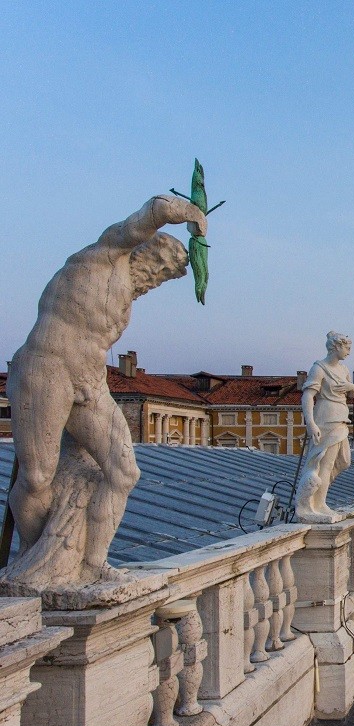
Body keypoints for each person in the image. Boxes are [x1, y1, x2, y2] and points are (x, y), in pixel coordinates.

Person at [4, 194, 206, 587]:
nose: (156, 278)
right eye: (159, 267)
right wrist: (190, 215)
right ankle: (36, 562)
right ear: (143, 250)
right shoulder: (101, 256)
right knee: (36, 477)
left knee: (124, 470)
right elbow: (153, 211)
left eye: (164, 277)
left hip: (89, 379)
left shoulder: (126, 300)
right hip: (45, 370)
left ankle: (93, 563)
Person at [295, 332, 354, 522]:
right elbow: (307, 396)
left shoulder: (344, 369)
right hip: (326, 417)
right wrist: (310, 423)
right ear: (336, 347)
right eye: (346, 348)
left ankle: (318, 496)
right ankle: (316, 503)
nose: (348, 352)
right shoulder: (319, 368)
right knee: (324, 462)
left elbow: (353, 393)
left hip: (341, 417)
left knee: (343, 461)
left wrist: (350, 387)